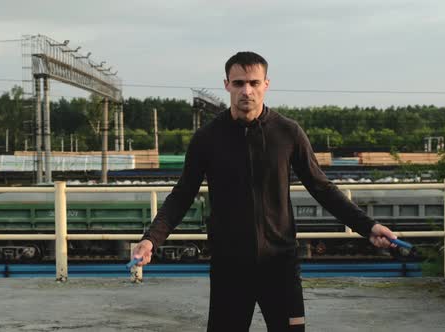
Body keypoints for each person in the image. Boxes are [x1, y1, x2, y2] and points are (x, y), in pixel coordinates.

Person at [132, 51, 397, 331]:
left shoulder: (288, 133)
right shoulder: (207, 138)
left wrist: (368, 227)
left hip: (280, 266)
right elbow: (183, 194)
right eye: (238, 83)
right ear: (226, 85)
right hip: (229, 267)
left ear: (266, 85)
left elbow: (322, 187)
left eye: (254, 83)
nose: (246, 90)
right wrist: (151, 240)